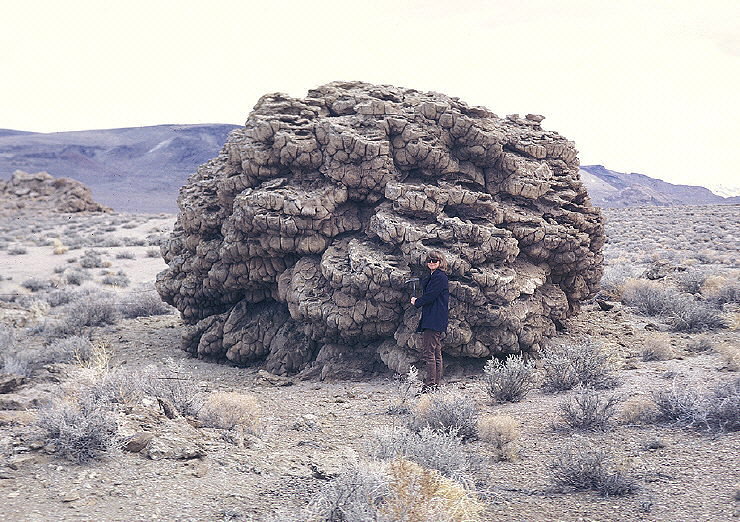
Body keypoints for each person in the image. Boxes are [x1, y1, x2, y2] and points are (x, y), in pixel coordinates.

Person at [410, 250, 449, 392]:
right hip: (435, 319)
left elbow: (431, 296)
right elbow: (429, 287)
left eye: (435, 260)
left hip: (434, 319)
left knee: (429, 353)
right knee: (435, 353)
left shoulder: (439, 277)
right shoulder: (435, 276)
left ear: (440, 262)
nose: (431, 263)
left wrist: (417, 302)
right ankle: (435, 384)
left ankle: (430, 385)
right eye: (429, 260)